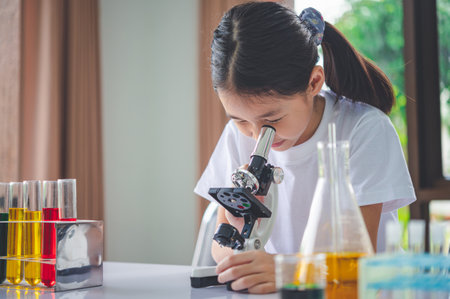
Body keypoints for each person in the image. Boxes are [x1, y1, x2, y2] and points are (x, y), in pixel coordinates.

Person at [194, 2, 416, 294]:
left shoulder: (364, 129)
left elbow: (359, 258)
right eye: (239, 120)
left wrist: (287, 269)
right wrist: (240, 232)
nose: (258, 135)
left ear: (314, 82)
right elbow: (219, 247)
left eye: (272, 119)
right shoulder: (240, 133)